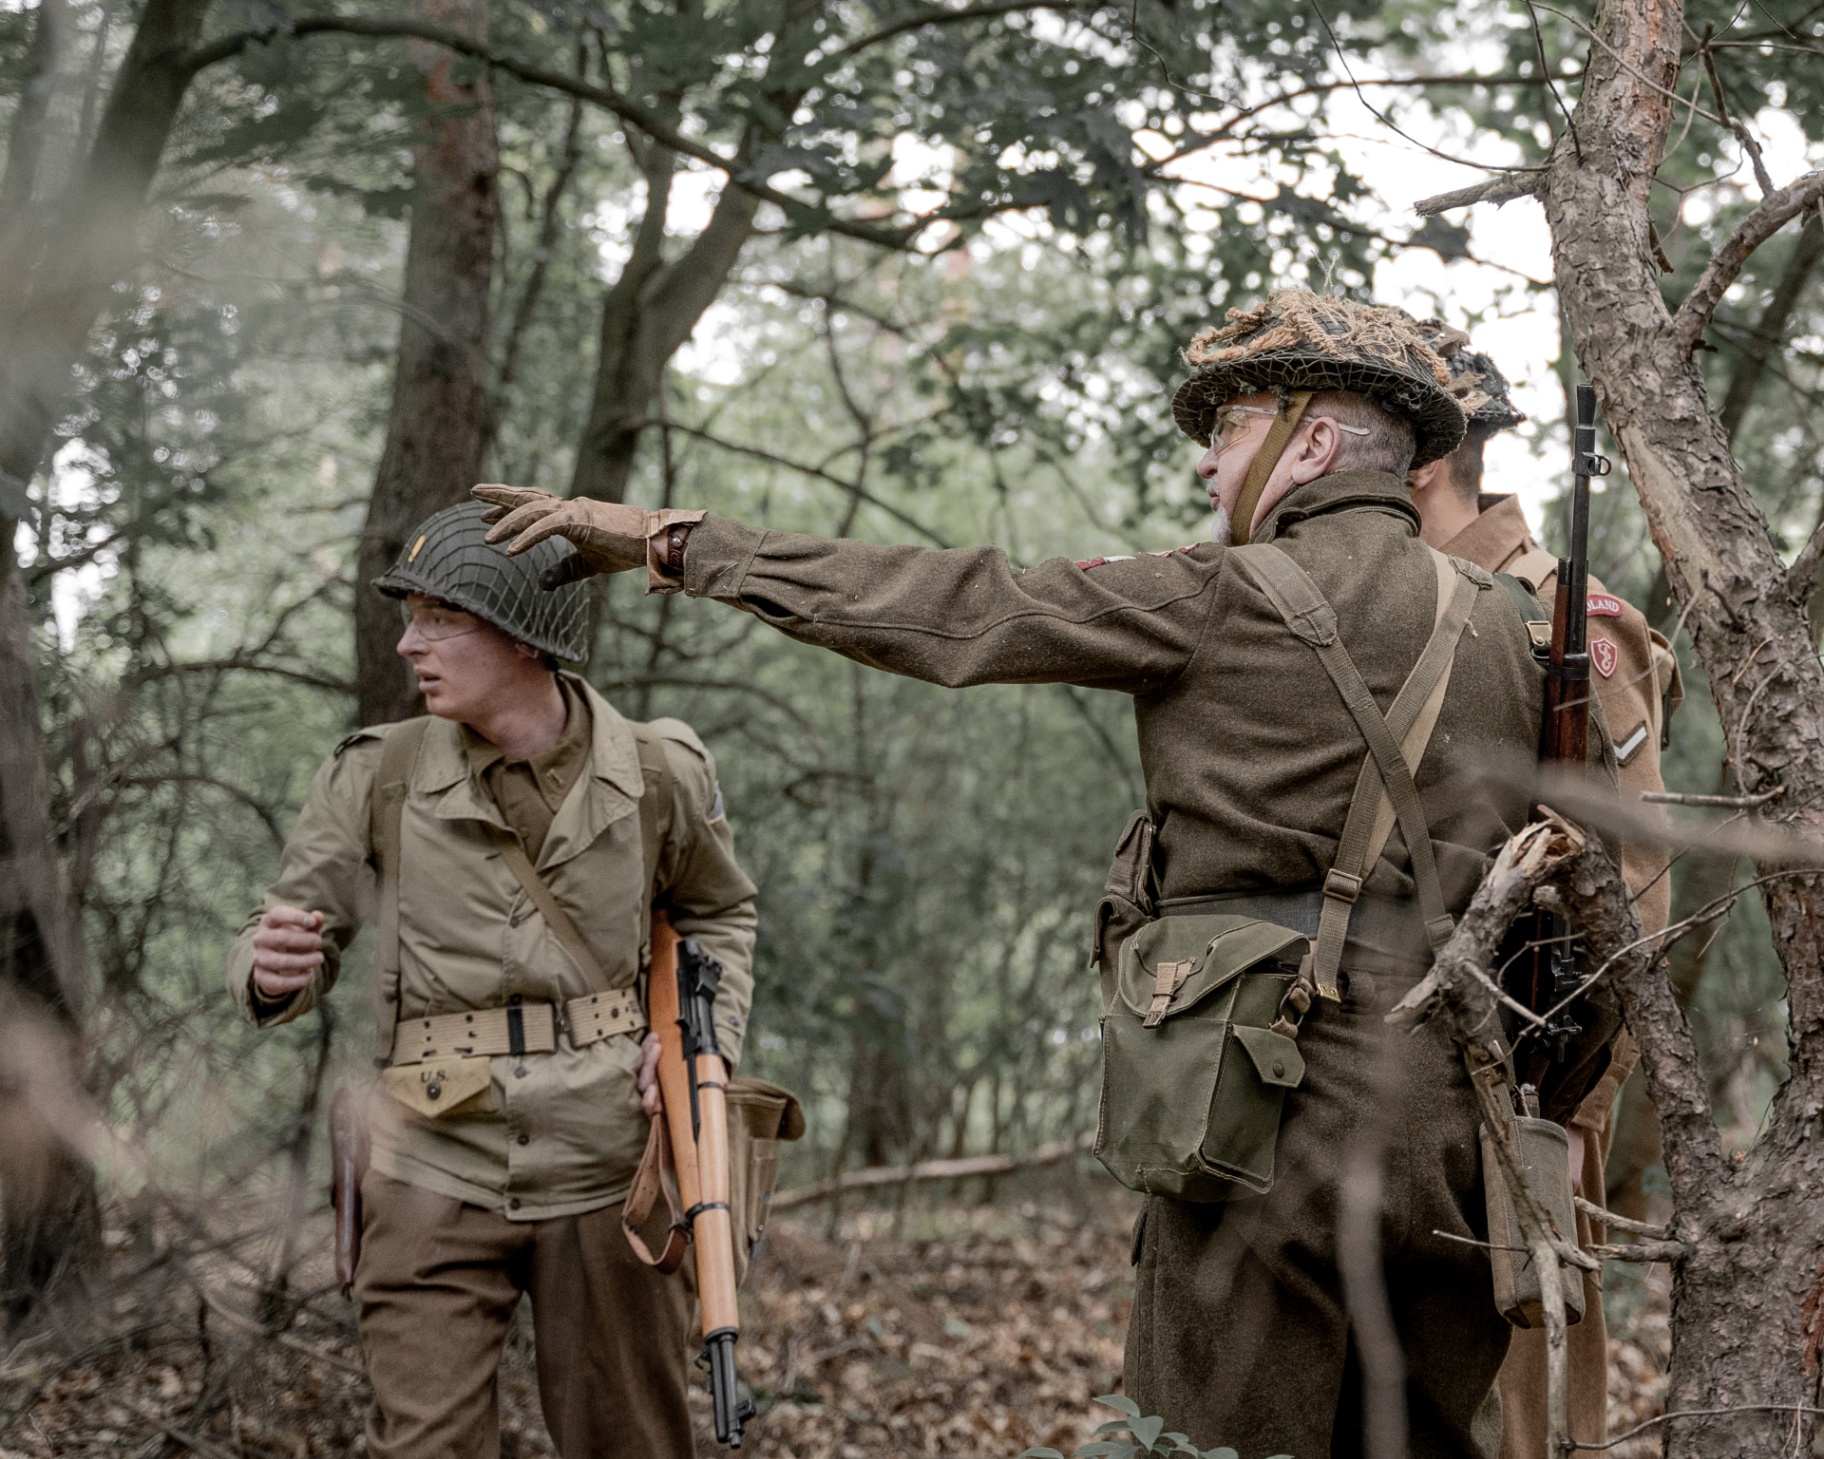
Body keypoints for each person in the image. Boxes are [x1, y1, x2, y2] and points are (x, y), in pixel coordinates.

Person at [476, 289, 1622, 1459]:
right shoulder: (1518, 628)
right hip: (1455, 1125)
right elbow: (1592, 911)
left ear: (1314, 442)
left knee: (1209, 1443)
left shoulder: (1218, 595)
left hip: (1261, 1110)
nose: (1207, 465)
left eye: (1229, 430)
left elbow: (959, 610)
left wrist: (679, 543)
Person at [226, 502, 757, 1459]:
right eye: (411, 618)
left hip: (610, 1166)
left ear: (522, 635)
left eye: (440, 619)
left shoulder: (658, 770)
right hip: (429, 1163)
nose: (409, 644)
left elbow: (720, 911)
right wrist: (268, 971)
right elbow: (288, 931)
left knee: (631, 1441)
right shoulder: (376, 773)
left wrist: (695, 1046)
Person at [1409, 325, 1684, 1459]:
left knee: (1526, 1378)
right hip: (1406, 1044)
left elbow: (1635, 879)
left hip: (1535, 1053)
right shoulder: (1393, 602)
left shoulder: (1567, 616)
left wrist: (1580, 1098)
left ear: (1424, 460)